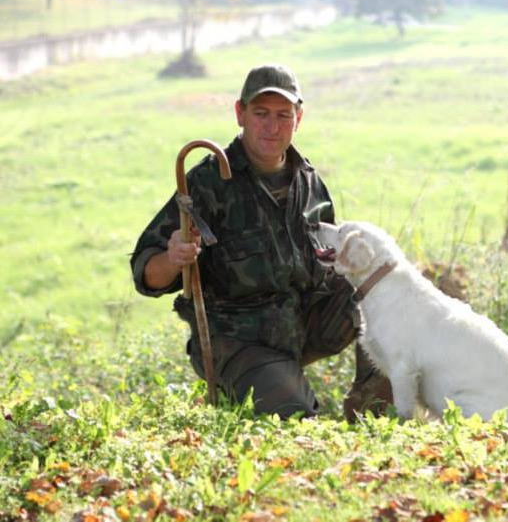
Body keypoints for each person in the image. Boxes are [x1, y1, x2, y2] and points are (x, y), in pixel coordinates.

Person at [130, 64, 392, 419]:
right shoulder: (209, 181)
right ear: (240, 114)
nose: (272, 127)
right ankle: (280, 394)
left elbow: (334, 262)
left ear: (299, 118)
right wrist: (174, 257)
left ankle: (373, 413)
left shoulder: (309, 181)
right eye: (261, 114)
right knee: (298, 420)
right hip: (238, 342)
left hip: (301, 325)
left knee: (383, 290)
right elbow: (147, 275)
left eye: (283, 115)